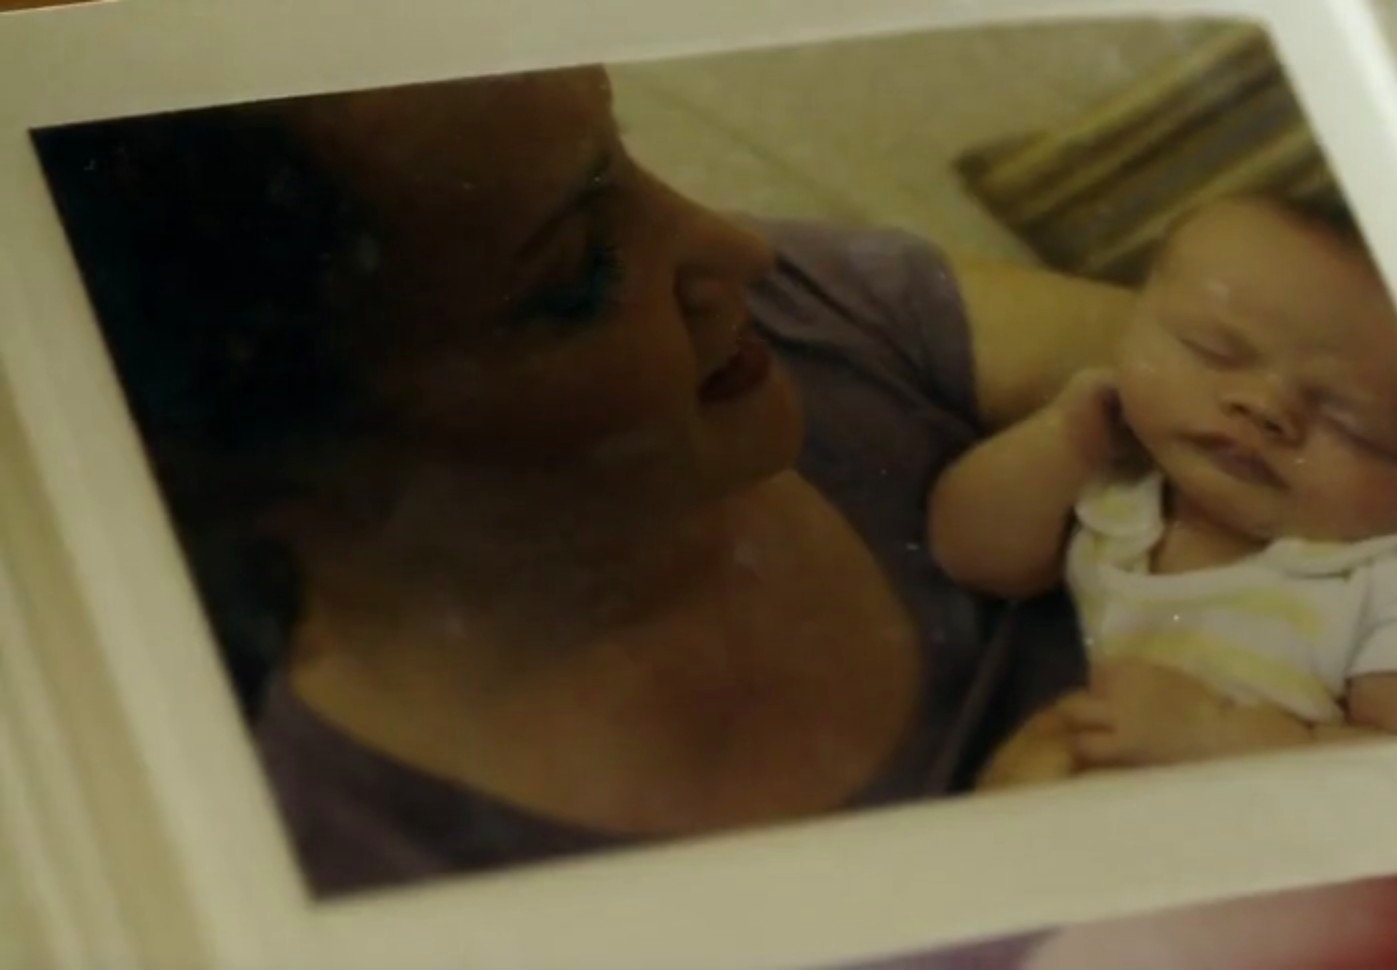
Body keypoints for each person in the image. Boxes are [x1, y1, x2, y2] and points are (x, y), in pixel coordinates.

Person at [34, 66, 1136, 897]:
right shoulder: (351, 887)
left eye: (625, 158)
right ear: (296, 470)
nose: (733, 249)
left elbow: (1275, 360)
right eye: (577, 272)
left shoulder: (796, 317)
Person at [929, 196, 1397, 787]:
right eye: (1212, 351)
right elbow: (968, 555)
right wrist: (1058, 444)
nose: (1264, 408)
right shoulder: (1123, 479)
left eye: (1355, 425)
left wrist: (1218, 736)